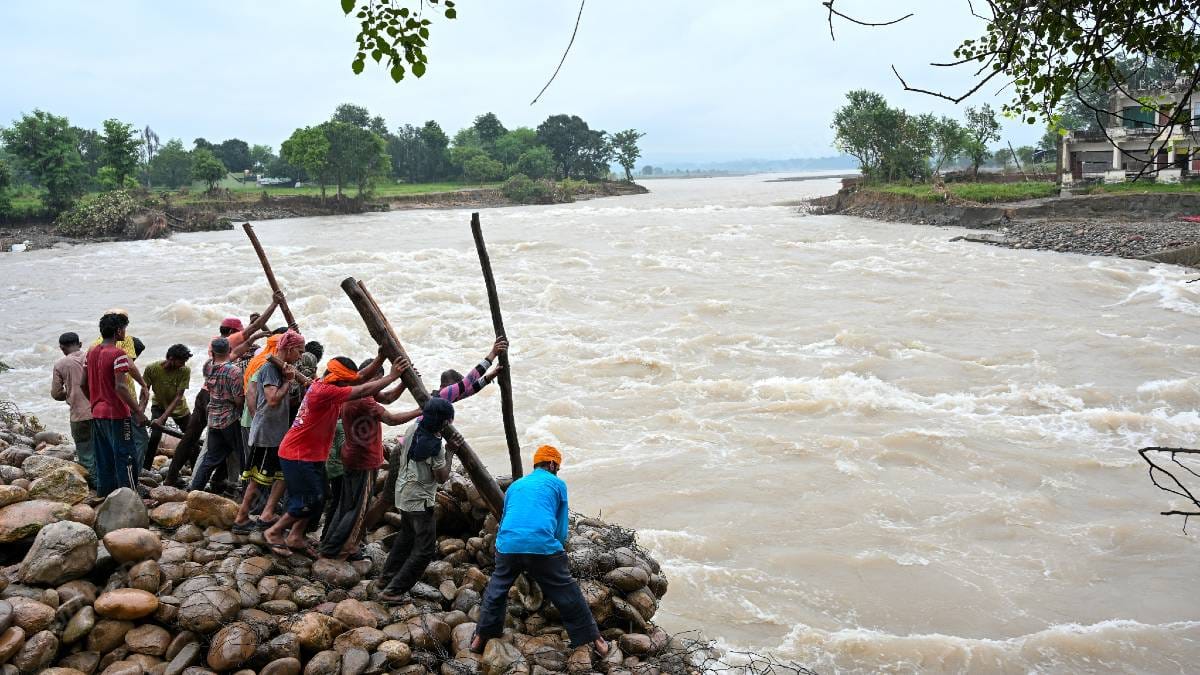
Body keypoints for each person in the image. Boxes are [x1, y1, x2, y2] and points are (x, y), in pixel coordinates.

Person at [263, 353, 407, 558]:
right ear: (339, 379)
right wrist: (392, 376)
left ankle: (295, 536)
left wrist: (381, 355)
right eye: (347, 380)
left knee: (320, 498)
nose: (352, 382)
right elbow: (364, 388)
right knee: (310, 500)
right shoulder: (327, 391)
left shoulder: (325, 383)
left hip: (311, 455)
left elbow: (361, 379)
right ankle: (274, 530)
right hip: (298, 454)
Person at [470, 445, 607, 656]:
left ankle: (480, 638)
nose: (557, 471)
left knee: (496, 590)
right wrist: (556, 552)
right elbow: (560, 530)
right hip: (541, 548)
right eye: (557, 467)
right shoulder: (558, 484)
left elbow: (506, 518)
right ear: (552, 464)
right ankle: (595, 639)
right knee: (566, 590)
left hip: (508, 547)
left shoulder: (516, 486)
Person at [166, 297, 281, 487]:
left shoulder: (209, 362)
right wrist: (274, 304)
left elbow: (240, 347)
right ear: (230, 334)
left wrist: (256, 336)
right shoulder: (232, 368)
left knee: (194, 439)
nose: (242, 334)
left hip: (207, 401)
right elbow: (237, 397)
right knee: (239, 450)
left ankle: (183, 480)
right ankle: (240, 486)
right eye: (239, 332)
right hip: (226, 413)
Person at [319, 357, 420, 561]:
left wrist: (402, 383)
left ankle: (332, 543)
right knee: (357, 509)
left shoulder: (354, 390)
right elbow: (391, 419)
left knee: (346, 504)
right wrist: (420, 410)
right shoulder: (364, 400)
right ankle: (342, 547)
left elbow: (388, 397)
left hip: (352, 455)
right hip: (363, 459)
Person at [378, 396, 457, 601]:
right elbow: (441, 477)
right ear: (443, 422)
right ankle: (393, 591)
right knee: (425, 550)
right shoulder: (436, 447)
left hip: (404, 493)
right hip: (420, 501)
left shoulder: (413, 429)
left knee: (406, 536)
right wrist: (449, 453)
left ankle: (386, 578)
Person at [232, 330, 308, 534]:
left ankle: (267, 513)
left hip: (276, 431)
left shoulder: (279, 370)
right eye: (299, 352)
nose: (300, 356)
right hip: (267, 433)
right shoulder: (270, 370)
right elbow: (273, 399)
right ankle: (241, 517)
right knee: (258, 478)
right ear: (290, 349)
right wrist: (288, 381)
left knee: (282, 474)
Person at [81, 313, 148, 496]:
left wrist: (95, 402)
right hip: (117, 415)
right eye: (124, 328)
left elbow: (82, 384)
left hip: (97, 413)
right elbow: (120, 387)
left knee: (104, 457)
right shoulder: (118, 353)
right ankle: (129, 496)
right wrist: (138, 412)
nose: (125, 332)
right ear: (118, 331)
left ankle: (105, 494)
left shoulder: (91, 352)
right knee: (126, 456)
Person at [189, 338, 244, 492]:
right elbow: (239, 400)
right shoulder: (235, 372)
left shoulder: (208, 366)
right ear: (229, 350)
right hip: (230, 419)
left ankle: (194, 490)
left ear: (212, 352)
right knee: (242, 456)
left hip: (213, 418)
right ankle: (250, 494)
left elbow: (224, 361)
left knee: (210, 459)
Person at [50, 332, 96, 486]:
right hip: (101, 412)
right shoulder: (93, 356)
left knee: (85, 451)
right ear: (80, 344)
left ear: (62, 348)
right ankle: (108, 481)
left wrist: (69, 393)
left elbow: (56, 393)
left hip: (79, 415)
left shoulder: (60, 364)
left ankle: (95, 485)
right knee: (102, 449)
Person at [141, 344, 193, 471]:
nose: (183, 364)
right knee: (154, 438)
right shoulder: (152, 369)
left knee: (192, 438)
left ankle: (194, 468)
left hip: (179, 408)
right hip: (159, 405)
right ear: (170, 358)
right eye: (181, 361)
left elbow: (178, 397)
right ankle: (145, 469)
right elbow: (145, 392)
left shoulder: (184, 371)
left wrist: (163, 418)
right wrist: (140, 412)